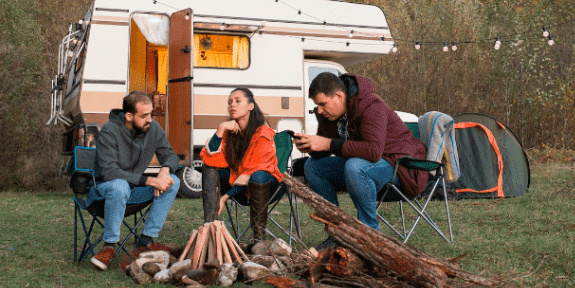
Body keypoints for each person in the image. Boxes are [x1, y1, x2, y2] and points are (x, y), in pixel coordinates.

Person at [293, 72, 427, 249]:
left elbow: (372, 151)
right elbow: (327, 148)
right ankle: (337, 233)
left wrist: (327, 143)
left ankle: (369, 237)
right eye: (317, 105)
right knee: (312, 167)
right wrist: (312, 147)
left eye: (322, 104)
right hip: (368, 166)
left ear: (339, 97)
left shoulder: (371, 105)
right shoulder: (330, 115)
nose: (319, 109)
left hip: (401, 167)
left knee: (356, 166)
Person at [89, 91, 182, 271]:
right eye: (144, 115)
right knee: (119, 185)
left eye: (151, 114)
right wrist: (151, 181)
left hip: (132, 191)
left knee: (174, 181)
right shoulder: (109, 131)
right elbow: (110, 172)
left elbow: (170, 155)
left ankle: (145, 240)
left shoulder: (152, 128)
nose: (149, 119)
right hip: (103, 191)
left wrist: (165, 170)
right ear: (129, 116)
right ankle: (109, 246)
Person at [199, 87, 282, 244]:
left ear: (251, 106)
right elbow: (209, 158)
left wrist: (225, 196)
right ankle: (210, 228)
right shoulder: (230, 131)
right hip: (238, 184)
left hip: (266, 185)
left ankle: (259, 238)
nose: (232, 105)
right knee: (208, 168)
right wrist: (220, 129)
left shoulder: (263, 133)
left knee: (257, 176)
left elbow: (251, 172)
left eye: (238, 101)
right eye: (230, 102)